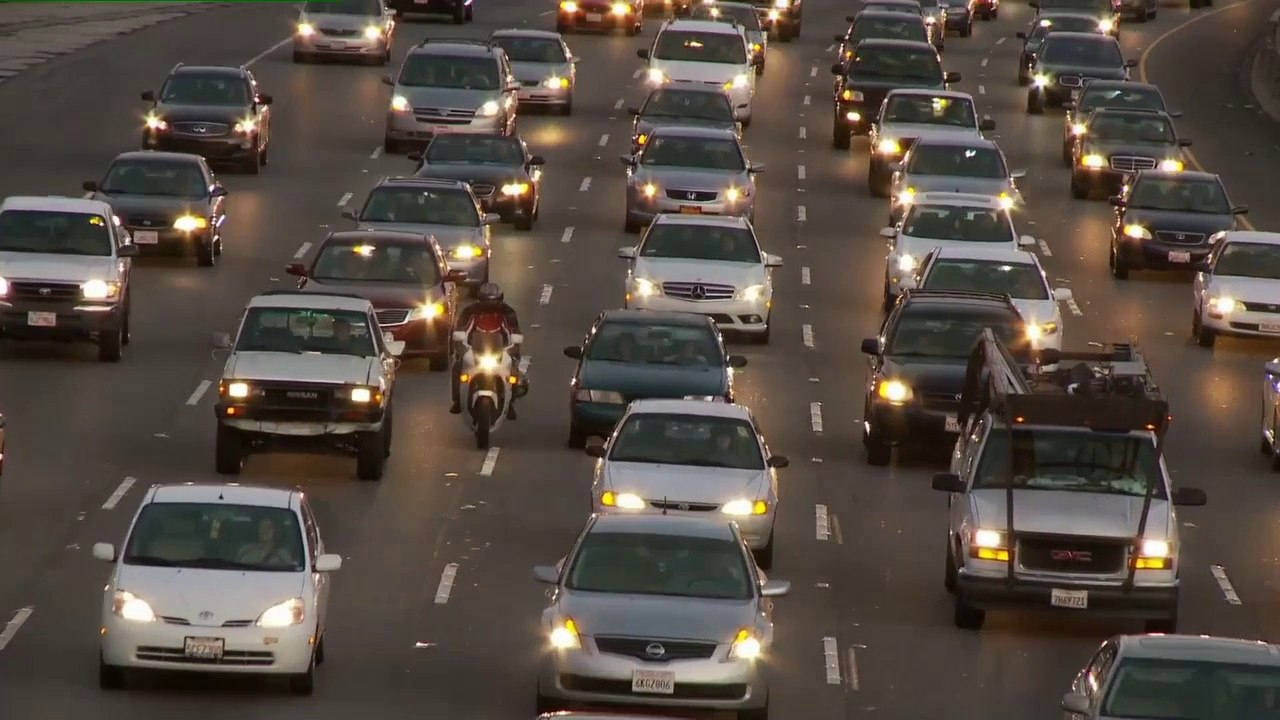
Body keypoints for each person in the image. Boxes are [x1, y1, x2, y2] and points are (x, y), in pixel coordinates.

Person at [450, 282, 522, 419]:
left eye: (493, 301)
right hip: (474, 351)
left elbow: (515, 333)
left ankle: (510, 402)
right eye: (486, 301)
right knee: (458, 366)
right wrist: (462, 349)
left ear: (500, 299)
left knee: (513, 369)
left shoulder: (508, 312)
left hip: (501, 351)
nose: (490, 305)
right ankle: (457, 400)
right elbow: (460, 331)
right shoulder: (469, 311)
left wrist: (513, 349)